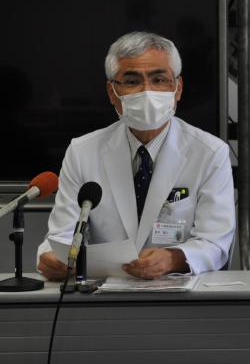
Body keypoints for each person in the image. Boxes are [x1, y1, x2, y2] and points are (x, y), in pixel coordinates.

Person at [37, 31, 235, 280]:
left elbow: (215, 242)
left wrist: (174, 258)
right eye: (132, 81)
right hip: (103, 292)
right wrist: (51, 257)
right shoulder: (82, 151)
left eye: (159, 79)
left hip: (178, 291)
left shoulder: (210, 152)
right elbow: (61, 235)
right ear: (112, 93)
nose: (147, 91)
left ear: (177, 88)